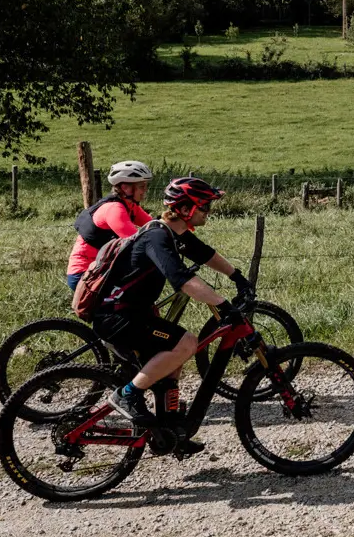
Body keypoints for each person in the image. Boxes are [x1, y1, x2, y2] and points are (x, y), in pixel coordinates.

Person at [93, 176, 254, 431]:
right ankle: (126, 394)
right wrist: (223, 304)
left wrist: (237, 276)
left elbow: (204, 253)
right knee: (186, 342)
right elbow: (182, 279)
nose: (208, 212)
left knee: (173, 355)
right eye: (204, 207)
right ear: (185, 209)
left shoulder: (174, 233)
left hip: (133, 314)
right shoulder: (156, 237)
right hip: (117, 318)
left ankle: (169, 428)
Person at [65, 160, 155, 290]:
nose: (145, 190)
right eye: (142, 186)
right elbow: (136, 242)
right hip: (84, 273)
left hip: (102, 268)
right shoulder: (114, 209)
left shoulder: (130, 205)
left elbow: (153, 225)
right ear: (125, 187)